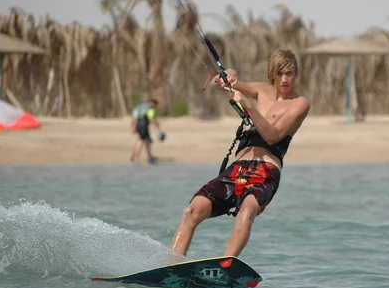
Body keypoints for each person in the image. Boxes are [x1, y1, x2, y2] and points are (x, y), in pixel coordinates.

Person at [169, 49, 310, 257]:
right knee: (193, 210)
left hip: (265, 171)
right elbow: (230, 84)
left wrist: (249, 107)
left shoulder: (300, 104)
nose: (285, 79)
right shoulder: (262, 90)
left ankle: (227, 265)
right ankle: (170, 264)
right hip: (236, 168)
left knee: (246, 211)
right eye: (280, 74)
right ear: (272, 74)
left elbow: (272, 136)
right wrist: (229, 75)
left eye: (289, 73)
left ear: (296, 74)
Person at [129, 98, 165, 164]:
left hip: (138, 125)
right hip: (143, 125)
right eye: (155, 105)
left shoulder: (139, 107)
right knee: (140, 141)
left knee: (147, 141)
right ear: (152, 103)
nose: (155, 107)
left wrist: (133, 126)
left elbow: (134, 117)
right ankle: (136, 159)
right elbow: (152, 119)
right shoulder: (149, 109)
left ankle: (149, 157)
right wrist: (158, 127)